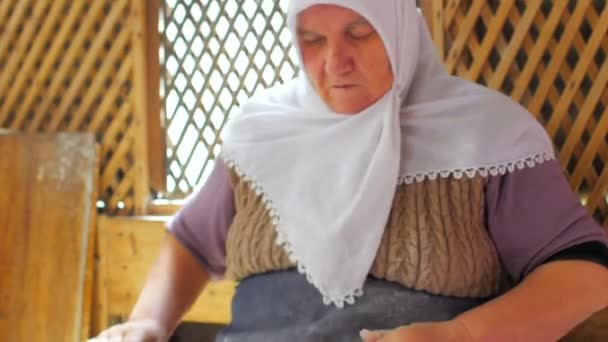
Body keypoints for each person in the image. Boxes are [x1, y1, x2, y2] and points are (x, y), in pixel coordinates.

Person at [90, 0, 608, 341]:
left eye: (360, 34)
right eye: (313, 40)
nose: (335, 61)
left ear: (403, 33)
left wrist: (461, 335)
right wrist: (147, 323)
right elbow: (191, 241)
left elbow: (587, 271)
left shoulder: (485, 133)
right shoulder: (263, 132)